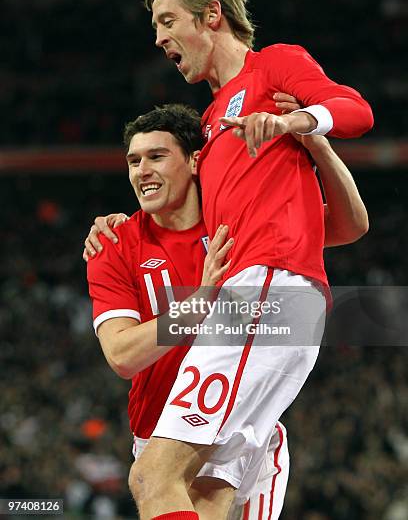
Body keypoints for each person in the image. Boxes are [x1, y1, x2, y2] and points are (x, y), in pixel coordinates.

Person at [123, 0, 373, 520]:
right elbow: (341, 229)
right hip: (260, 296)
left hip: (265, 291)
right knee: (204, 493)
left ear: (212, 15)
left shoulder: (273, 67)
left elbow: (356, 109)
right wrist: (118, 225)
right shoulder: (209, 123)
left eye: (167, 20)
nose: (159, 37)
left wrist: (300, 125)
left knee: (153, 471)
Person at [85, 99, 369, 519]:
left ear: (196, 160)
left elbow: (350, 225)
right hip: (159, 432)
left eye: (157, 156)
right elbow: (123, 356)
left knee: (162, 480)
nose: (141, 170)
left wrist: (317, 145)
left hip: (238, 436)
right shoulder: (115, 244)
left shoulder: (241, 225)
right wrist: (197, 304)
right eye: (133, 160)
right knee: (154, 476)